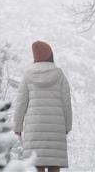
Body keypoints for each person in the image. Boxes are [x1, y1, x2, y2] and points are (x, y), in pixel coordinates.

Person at [13, 41, 73, 172]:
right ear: (50, 56)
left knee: (36, 164)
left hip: (34, 128)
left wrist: (17, 127)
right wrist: (68, 126)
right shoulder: (60, 76)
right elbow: (66, 103)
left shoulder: (28, 76)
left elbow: (21, 103)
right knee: (54, 164)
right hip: (55, 127)